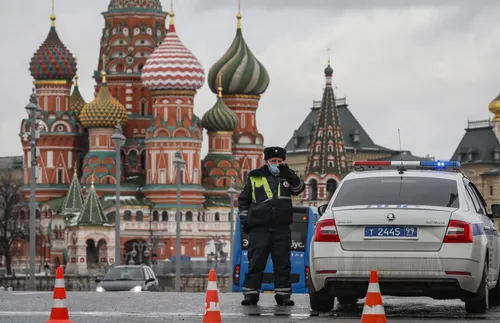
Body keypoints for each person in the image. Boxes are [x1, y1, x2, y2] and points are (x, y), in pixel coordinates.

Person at [237, 146, 305, 306]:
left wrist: (288, 174)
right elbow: (243, 201)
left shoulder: (287, 176)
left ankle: (283, 295)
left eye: (279, 161)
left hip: (281, 228)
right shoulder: (255, 176)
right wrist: (246, 222)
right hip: (259, 229)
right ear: (266, 161)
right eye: (273, 161)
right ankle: (250, 294)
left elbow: (299, 189)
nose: (276, 163)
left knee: (282, 263)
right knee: (256, 262)